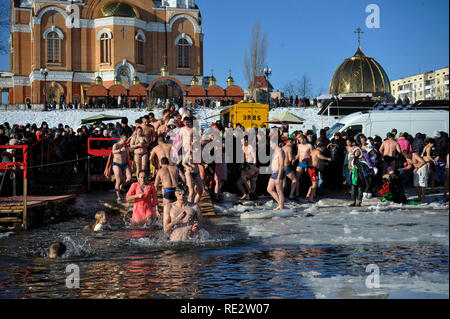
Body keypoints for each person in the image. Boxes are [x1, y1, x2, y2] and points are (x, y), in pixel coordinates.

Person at [112, 134, 132, 203]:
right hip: (117, 164)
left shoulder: (125, 146)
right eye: (125, 140)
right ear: (121, 139)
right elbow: (113, 152)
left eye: (126, 140)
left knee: (129, 178)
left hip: (125, 164)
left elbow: (126, 156)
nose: (126, 141)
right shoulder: (116, 145)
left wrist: (128, 164)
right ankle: (118, 197)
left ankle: (121, 186)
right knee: (118, 180)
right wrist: (120, 150)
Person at [267, 139, 286, 210]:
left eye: (271, 144)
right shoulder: (275, 151)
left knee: (279, 191)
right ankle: (280, 204)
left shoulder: (280, 151)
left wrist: (278, 177)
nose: (270, 146)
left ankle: (281, 207)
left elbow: (281, 164)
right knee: (269, 189)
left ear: (274, 143)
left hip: (279, 172)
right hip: (274, 172)